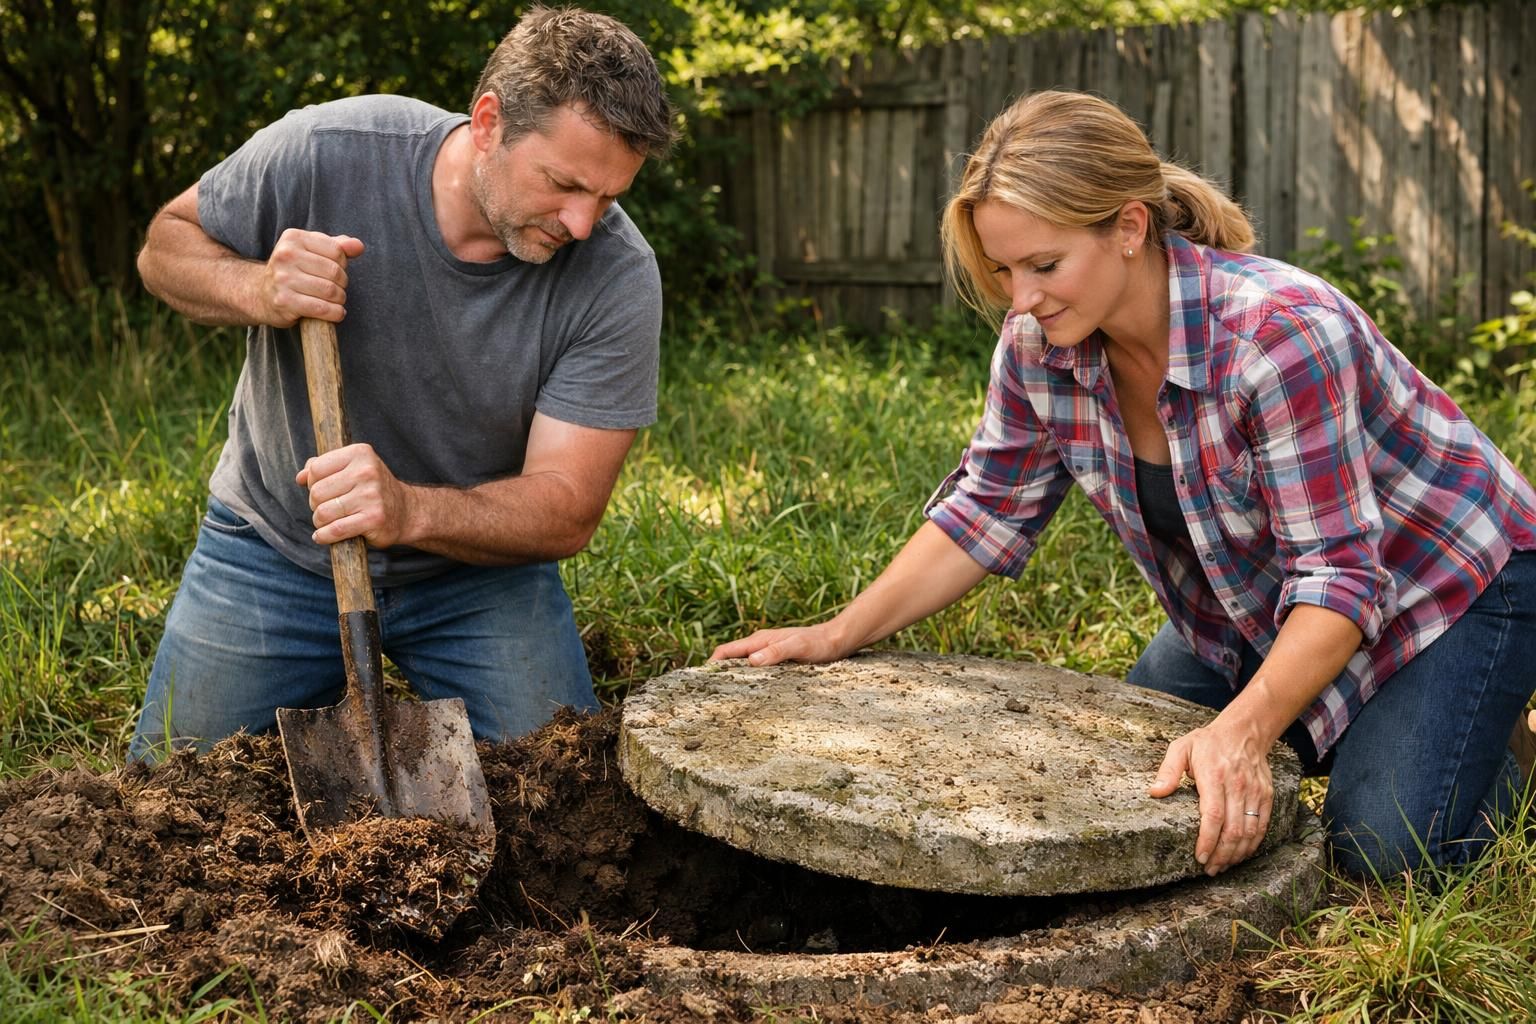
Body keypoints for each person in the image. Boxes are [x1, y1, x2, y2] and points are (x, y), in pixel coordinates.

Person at [714, 90, 1536, 879]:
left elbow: (1344, 579)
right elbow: (985, 511)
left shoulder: (1278, 338)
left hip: (1454, 577)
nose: (1022, 298)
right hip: (1256, 590)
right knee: (1133, 768)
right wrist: (836, 632)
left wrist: (1244, 732)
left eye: (1044, 264)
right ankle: (1403, 732)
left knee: (1378, 850)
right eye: (1003, 270)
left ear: (1130, 228)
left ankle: (1504, 756)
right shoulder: (1039, 347)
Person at [129, 6, 676, 761]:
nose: (583, 223)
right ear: (489, 123)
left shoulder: (615, 275)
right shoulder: (328, 151)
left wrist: (408, 508)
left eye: (609, 199)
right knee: (167, 794)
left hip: (476, 573)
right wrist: (259, 289)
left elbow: (566, 509)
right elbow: (164, 249)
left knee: (565, 788)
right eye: (564, 184)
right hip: (275, 549)